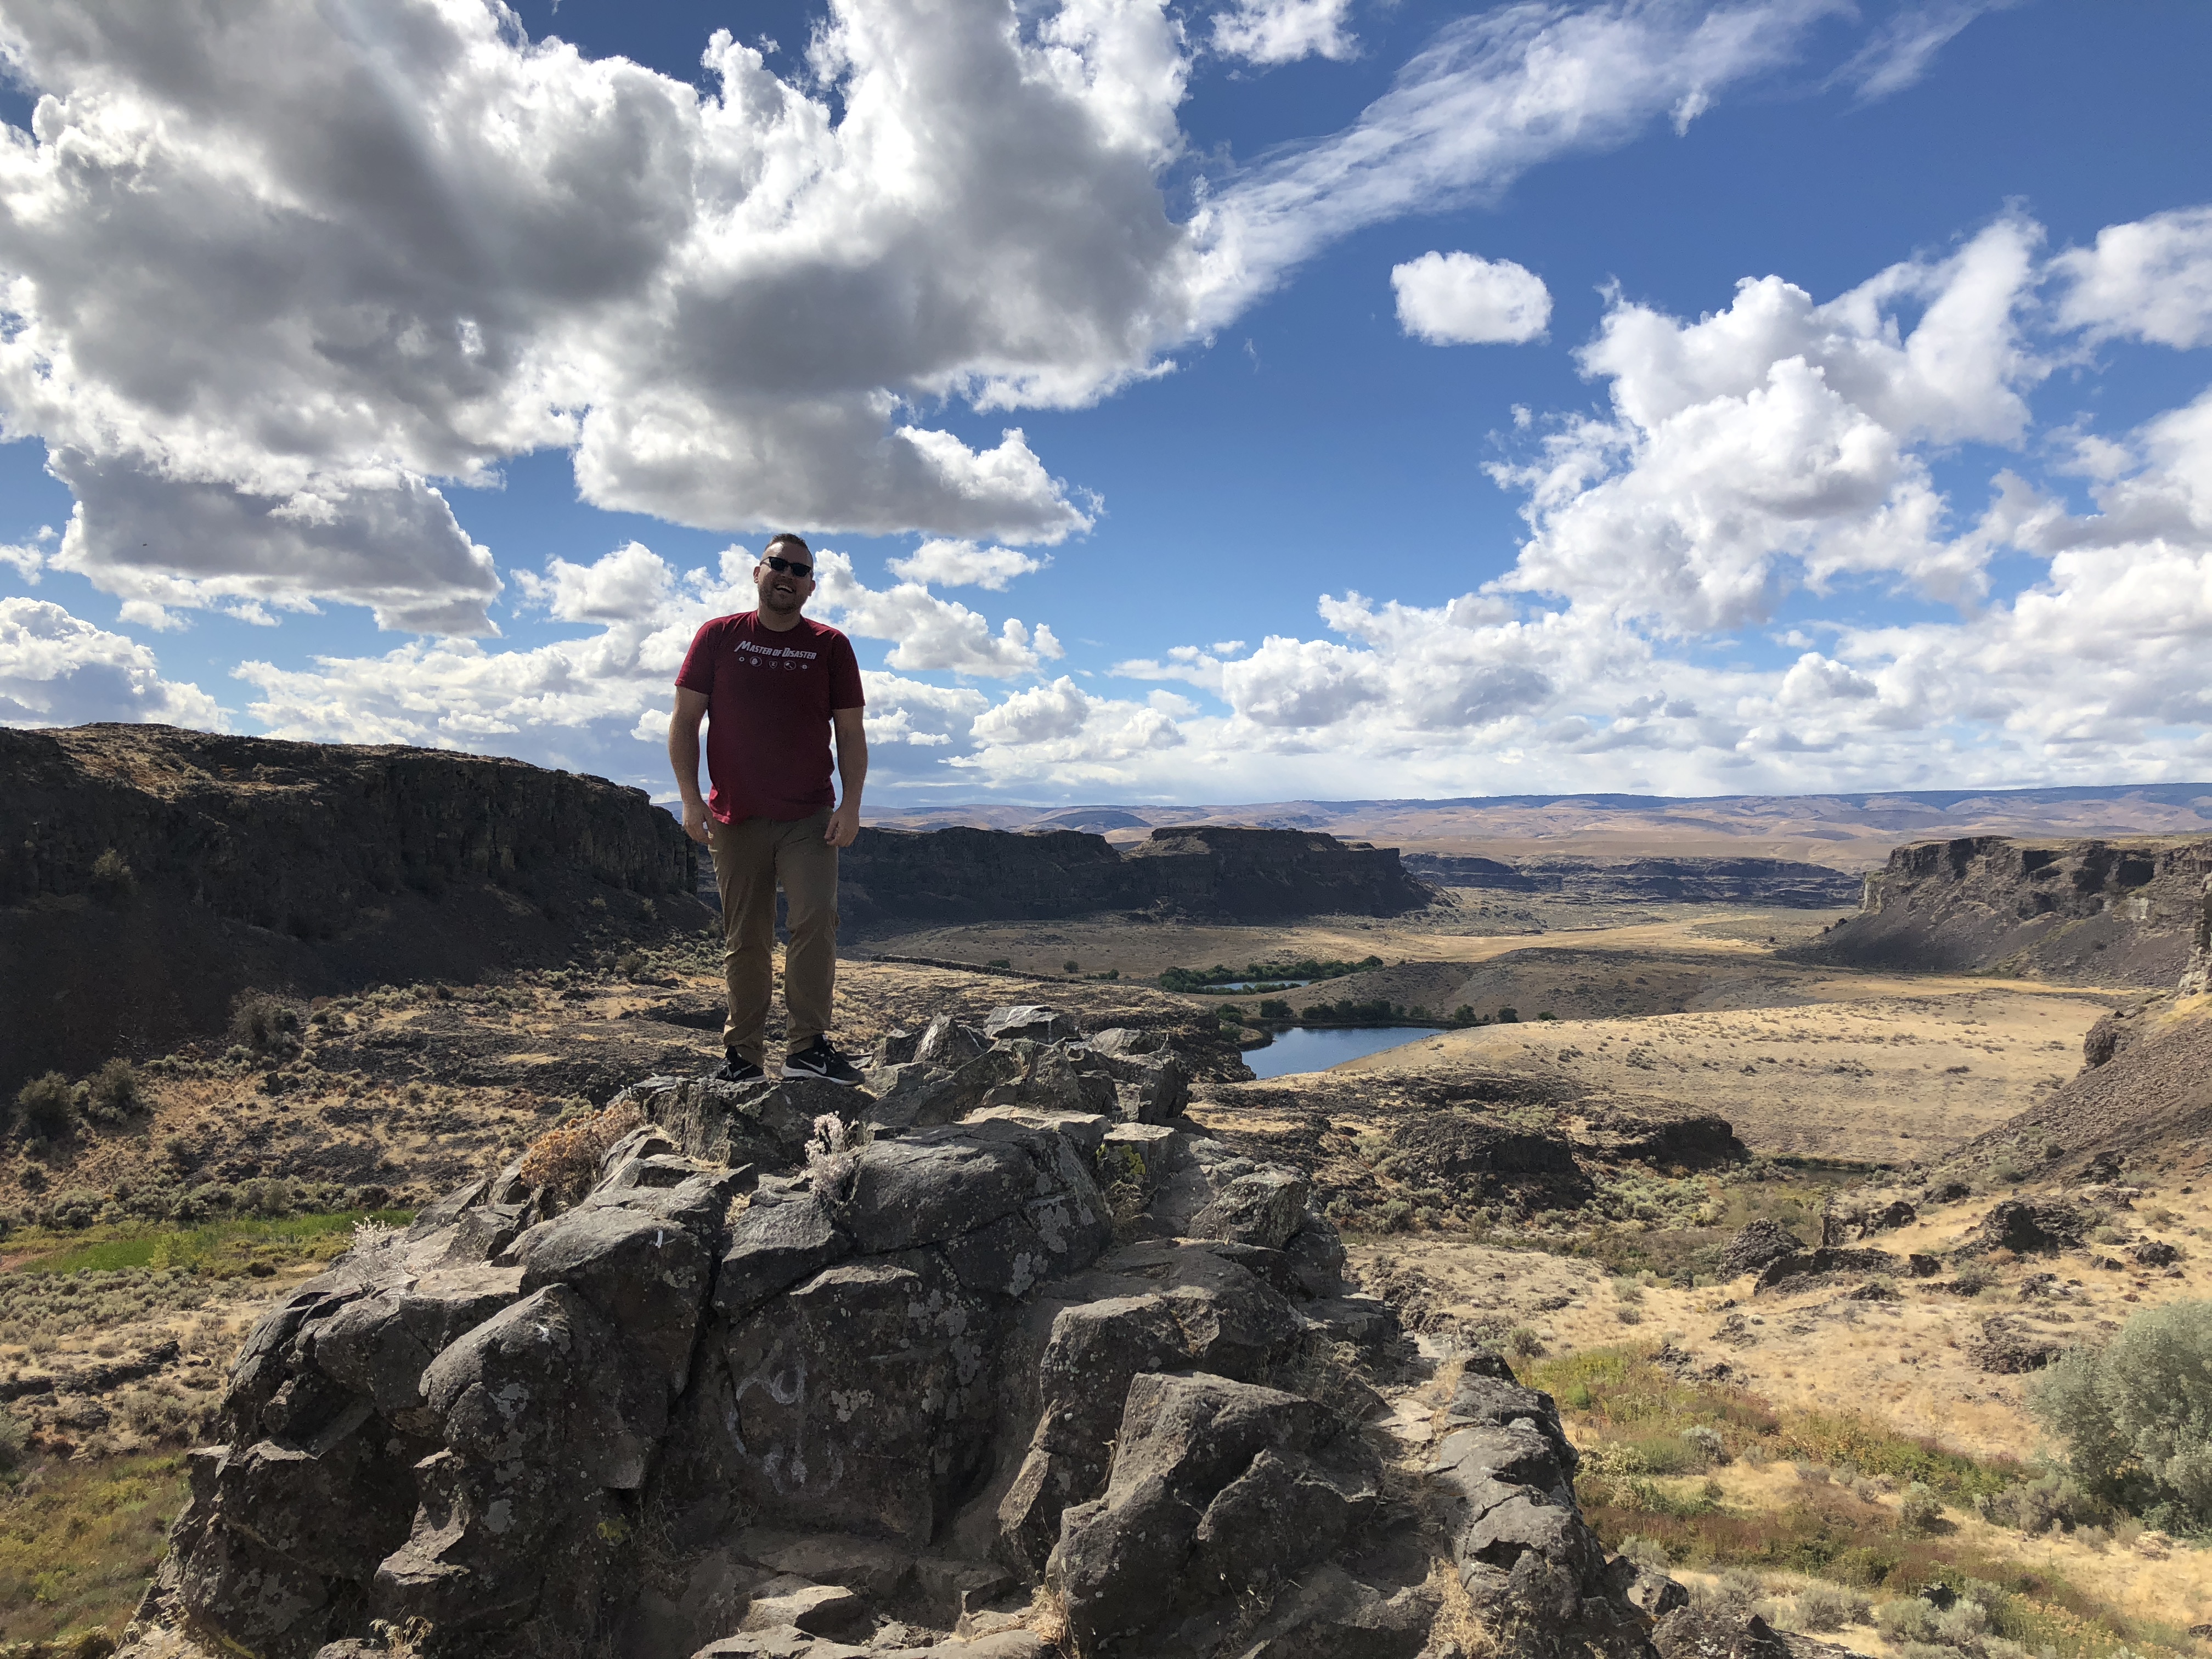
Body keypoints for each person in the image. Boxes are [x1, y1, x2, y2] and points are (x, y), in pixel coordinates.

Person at [669, 533, 867, 1085]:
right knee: (747, 939)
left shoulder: (831, 646)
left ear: (810, 585)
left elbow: (850, 733)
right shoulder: (718, 637)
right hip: (736, 815)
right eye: (778, 564)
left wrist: (851, 805)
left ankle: (806, 1048)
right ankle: (744, 1058)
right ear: (758, 573)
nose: (787, 575)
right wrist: (689, 798)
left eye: (799, 570)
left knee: (815, 924)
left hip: (809, 815)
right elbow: (685, 721)